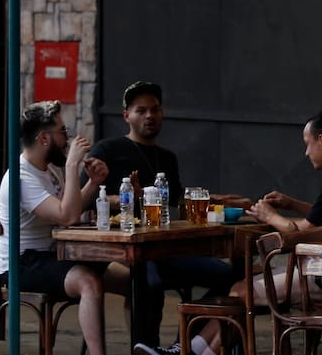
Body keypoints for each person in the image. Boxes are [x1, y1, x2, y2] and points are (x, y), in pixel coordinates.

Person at [133, 108, 322, 355]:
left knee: (240, 291)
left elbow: (299, 234)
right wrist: (291, 203)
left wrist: (269, 216)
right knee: (241, 289)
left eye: (307, 143)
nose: (306, 152)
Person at [0, 101, 127, 355]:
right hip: (21, 264)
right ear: (44, 138)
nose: (66, 137)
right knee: (88, 282)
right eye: (61, 131)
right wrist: (72, 166)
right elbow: (67, 216)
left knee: (131, 279)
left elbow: (72, 209)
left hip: (53, 255)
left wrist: (93, 183)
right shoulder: (21, 176)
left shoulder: (49, 168)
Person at [87, 81, 236, 338]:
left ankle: (183, 349)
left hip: (163, 247)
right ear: (126, 116)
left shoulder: (167, 157)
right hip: (123, 248)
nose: (149, 116)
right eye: (141, 110)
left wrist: (218, 201)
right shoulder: (108, 150)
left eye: (155, 110)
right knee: (148, 285)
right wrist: (125, 197)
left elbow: (178, 201)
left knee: (229, 277)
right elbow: (88, 198)